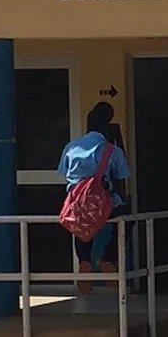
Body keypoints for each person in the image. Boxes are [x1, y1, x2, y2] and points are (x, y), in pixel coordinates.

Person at [58, 101, 130, 291]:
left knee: (81, 224)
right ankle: (108, 258)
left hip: (77, 204)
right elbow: (121, 181)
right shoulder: (112, 150)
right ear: (107, 126)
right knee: (127, 220)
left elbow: (64, 174)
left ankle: (84, 262)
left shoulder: (71, 147)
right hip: (105, 205)